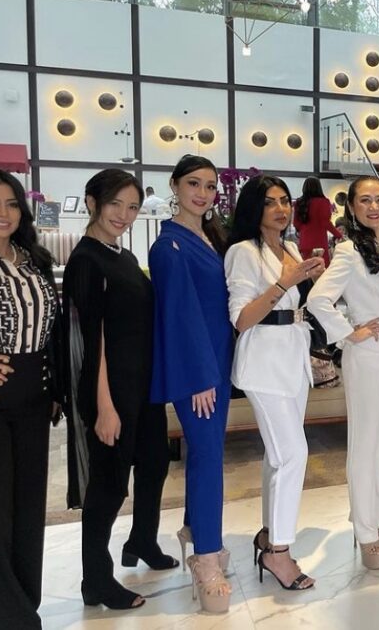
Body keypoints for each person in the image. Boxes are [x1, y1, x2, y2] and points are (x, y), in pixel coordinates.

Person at [65, 169, 175, 612]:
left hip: (143, 388)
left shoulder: (122, 256)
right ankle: (96, 580)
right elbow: (93, 340)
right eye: (115, 204)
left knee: (155, 464)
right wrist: (104, 407)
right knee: (109, 486)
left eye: (132, 207)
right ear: (92, 203)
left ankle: (143, 539)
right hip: (111, 393)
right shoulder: (86, 261)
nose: (124, 215)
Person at [0, 169, 65, 630]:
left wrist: (55, 387)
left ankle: (23, 607)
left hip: (33, 398)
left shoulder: (33, 258)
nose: (3, 213)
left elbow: (49, 330)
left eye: (11, 204)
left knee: (26, 513)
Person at [225, 174, 325, 590]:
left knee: (277, 455)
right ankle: (279, 553)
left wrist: (311, 277)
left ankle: (269, 534)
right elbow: (241, 318)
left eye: (285, 200)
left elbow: (297, 301)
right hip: (263, 362)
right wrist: (286, 280)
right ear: (254, 208)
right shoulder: (242, 252)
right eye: (270, 202)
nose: (281, 209)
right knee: (293, 454)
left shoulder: (290, 247)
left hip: (292, 358)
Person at [308, 176, 379, 571]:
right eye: (365, 200)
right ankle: (365, 530)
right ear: (351, 207)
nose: (374, 207)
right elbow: (318, 299)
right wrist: (350, 331)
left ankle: (375, 517)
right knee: (364, 443)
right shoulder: (349, 251)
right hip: (366, 357)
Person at [149, 154, 234, 613]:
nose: (203, 193)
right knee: (207, 457)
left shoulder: (208, 236)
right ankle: (206, 557)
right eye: (194, 184)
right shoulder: (169, 246)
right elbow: (179, 314)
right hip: (196, 371)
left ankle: (195, 530)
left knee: (209, 452)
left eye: (209, 185)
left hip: (215, 363)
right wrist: (201, 376)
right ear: (175, 185)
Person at [294, 177, 342, 266]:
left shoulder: (299, 202)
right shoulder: (323, 202)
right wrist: (338, 235)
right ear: (319, 187)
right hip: (319, 242)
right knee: (322, 269)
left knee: (306, 269)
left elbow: (296, 223)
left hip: (304, 242)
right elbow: (325, 223)